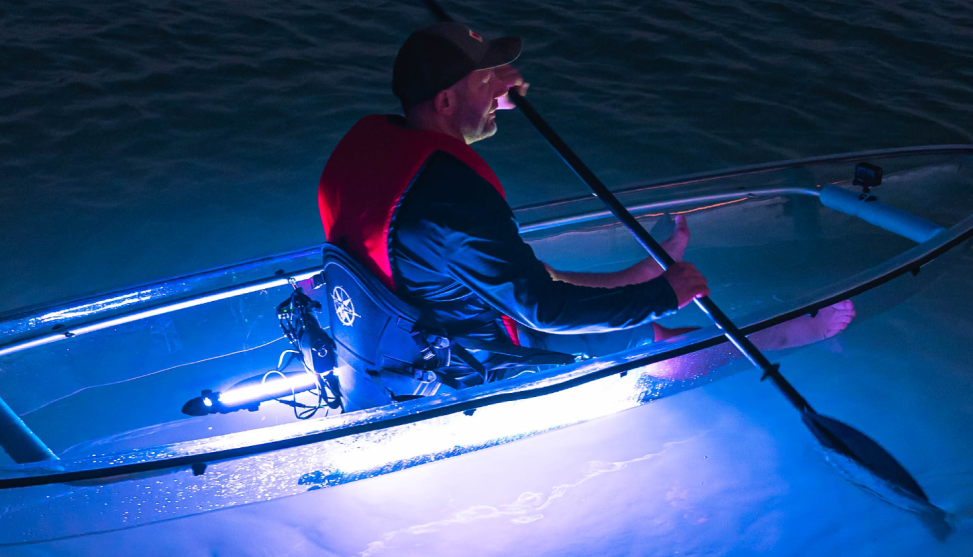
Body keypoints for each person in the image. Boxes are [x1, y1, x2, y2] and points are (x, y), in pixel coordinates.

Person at [317, 22, 851, 386]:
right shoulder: (452, 198)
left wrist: (642, 276)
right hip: (471, 359)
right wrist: (661, 296)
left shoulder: (372, 148)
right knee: (653, 339)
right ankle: (786, 335)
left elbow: (510, 278)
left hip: (400, 323)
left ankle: (637, 273)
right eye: (488, 83)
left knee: (529, 274)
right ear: (447, 100)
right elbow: (544, 310)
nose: (502, 95)